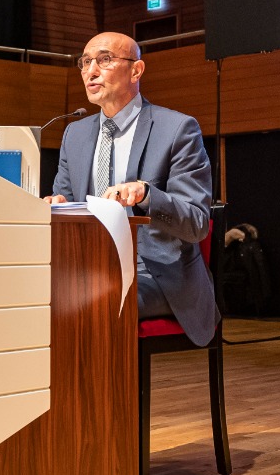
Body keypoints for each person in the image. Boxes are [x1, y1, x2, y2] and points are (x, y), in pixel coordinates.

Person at [47, 32, 219, 346]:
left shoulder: (177, 129)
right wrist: (58, 205)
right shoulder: (75, 134)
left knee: (94, 300)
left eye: (104, 60)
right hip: (89, 268)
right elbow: (68, 203)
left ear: (136, 70)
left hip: (158, 274)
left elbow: (196, 223)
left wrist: (148, 195)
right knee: (36, 295)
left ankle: (107, 381)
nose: (91, 71)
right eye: (85, 62)